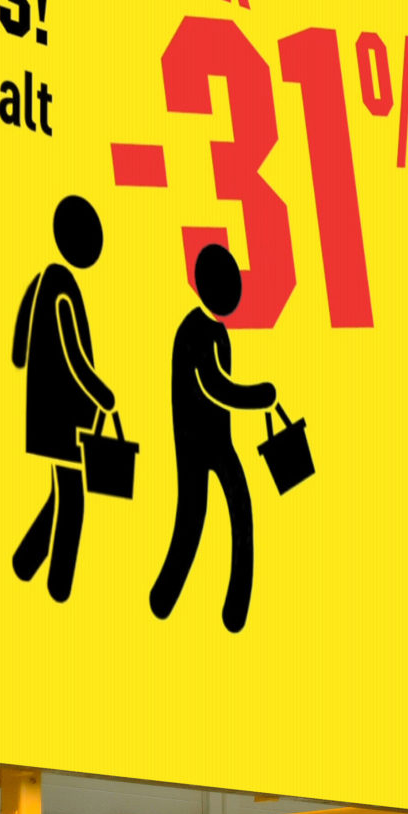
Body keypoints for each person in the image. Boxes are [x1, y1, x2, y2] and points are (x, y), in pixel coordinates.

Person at [148, 244, 276, 633]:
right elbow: (214, 386)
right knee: (194, 517)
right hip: (194, 444)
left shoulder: (215, 331)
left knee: (231, 512)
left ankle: (227, 607)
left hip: (218, 441)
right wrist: (261, 396)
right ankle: (164, 598)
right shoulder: (195, 331)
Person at [12, 195, 116, 596]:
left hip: (45, 411)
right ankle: (59, 585)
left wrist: (27, 363)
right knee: (73, 499)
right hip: (65, 416)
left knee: (61, 492)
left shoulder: (42, 281)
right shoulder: (63, 290)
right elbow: (75, 356)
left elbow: (19, 348)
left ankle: (25, 560)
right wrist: (104, 395)